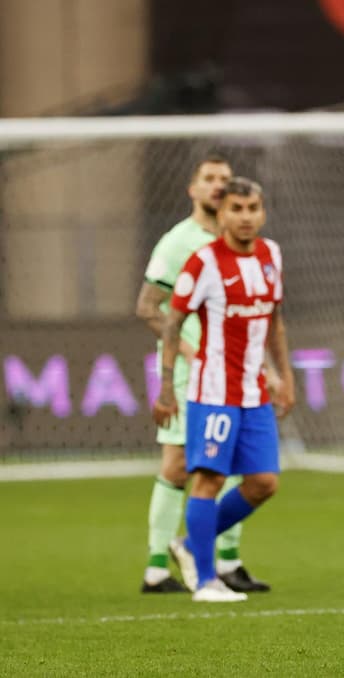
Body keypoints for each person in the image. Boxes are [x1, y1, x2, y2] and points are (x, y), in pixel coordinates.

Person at [152, 177, 297, 603]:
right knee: (210, 480)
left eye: (253, 208)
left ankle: (187, 545)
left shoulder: (271, 255)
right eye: (237, 208)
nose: (246, 217)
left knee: (264, 483)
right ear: (223, 214)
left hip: (254, 393)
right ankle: (205, 580)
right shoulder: (203, 263)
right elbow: (171, 323)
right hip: (213, 392)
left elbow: (275, 322)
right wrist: (165, 389)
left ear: (262, 212)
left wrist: (284, 376)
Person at [134, 155, 269, 594]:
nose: (217, 186)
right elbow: (147, 307)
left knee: (235, 468)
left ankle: (226, 560)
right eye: (209, 179)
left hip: (234, 375)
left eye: (224, 180)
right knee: (177, 465)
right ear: (193, 189)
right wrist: (190, 350)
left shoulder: (242, 244)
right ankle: (157, 567)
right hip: (189, 373)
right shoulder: (179, 242)